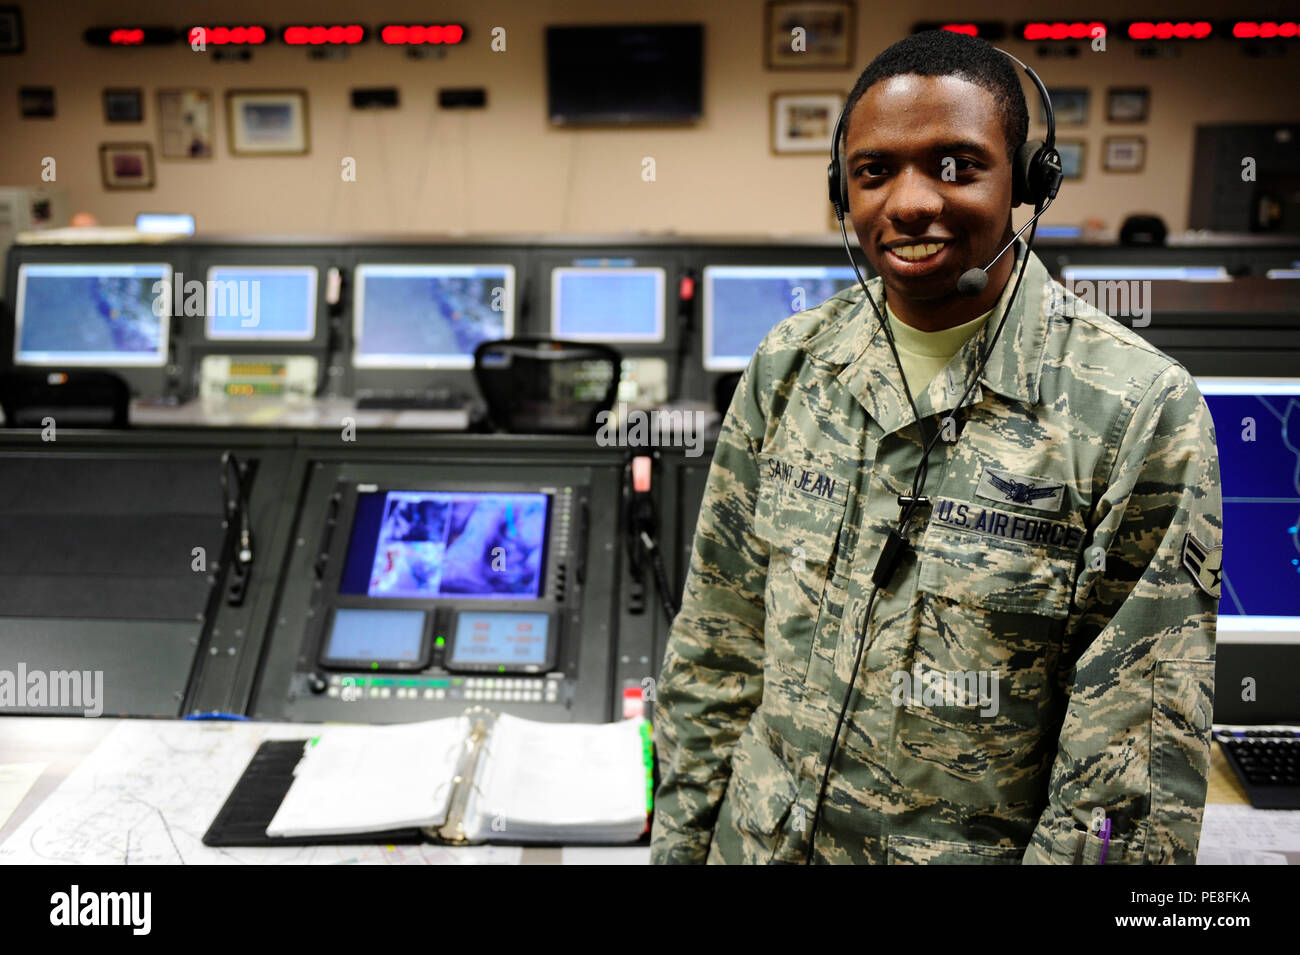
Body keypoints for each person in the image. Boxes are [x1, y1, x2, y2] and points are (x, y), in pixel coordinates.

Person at [650, 30, 1222, 865]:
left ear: (1029, 182)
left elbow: (1124, 775)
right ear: (843, 193)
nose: (912, 201)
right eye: (874, 171)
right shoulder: (790, 364)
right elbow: (715, 649)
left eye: (955, 164)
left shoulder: (1136, 409)